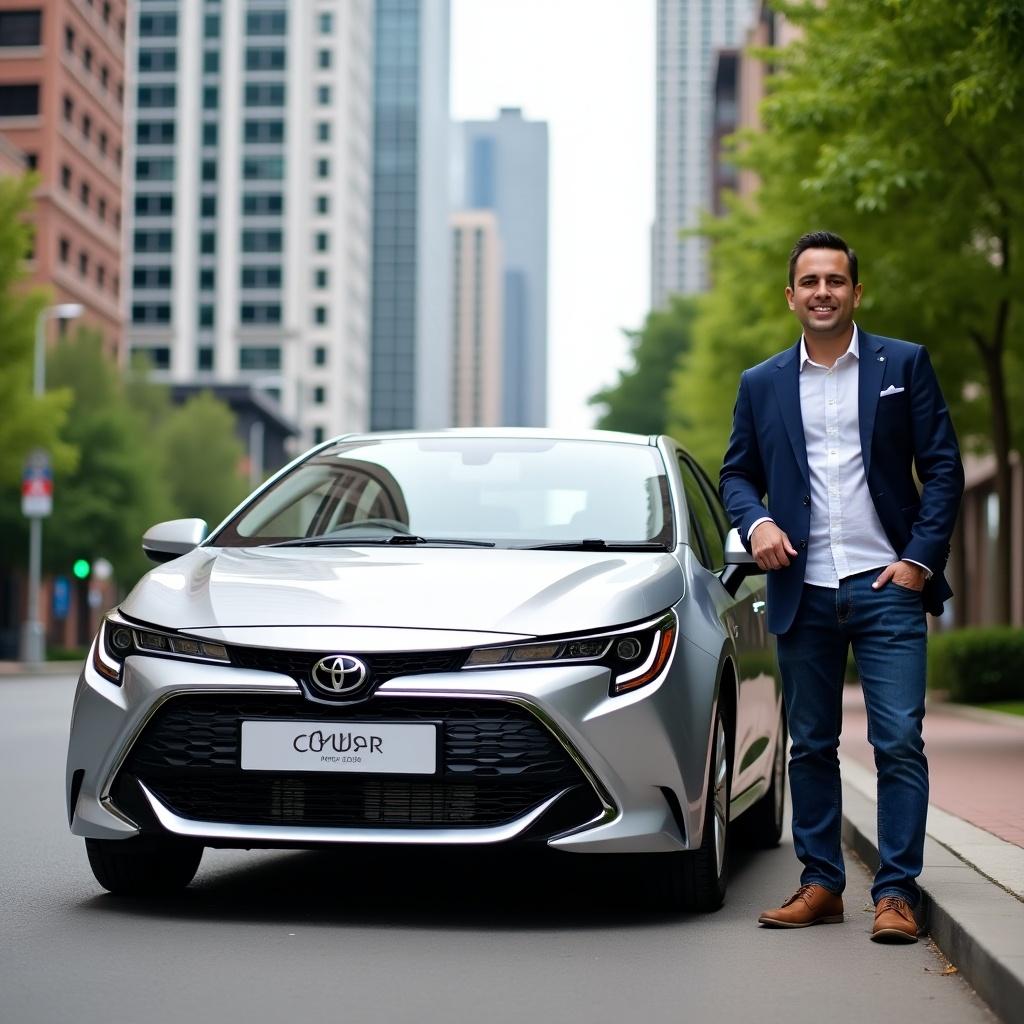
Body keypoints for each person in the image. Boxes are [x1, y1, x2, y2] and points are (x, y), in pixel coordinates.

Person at [720, 230, 964, 943]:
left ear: (857, 292)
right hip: (805, 586)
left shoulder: (903, 365)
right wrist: (757, 521)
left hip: (887, 580)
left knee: (897, 740)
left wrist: (919, 559)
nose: (822, 291)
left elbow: (943, 467)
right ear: (790, 296)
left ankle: (896, 894)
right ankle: (821, 884)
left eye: (835, 280)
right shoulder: (761, 382)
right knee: (810, 745)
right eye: (810, 281)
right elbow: (738, 472)